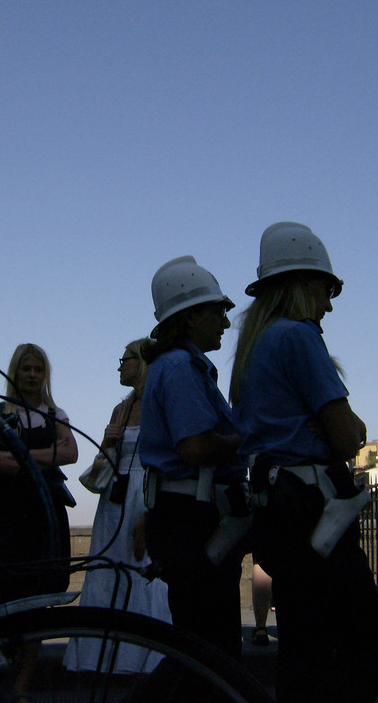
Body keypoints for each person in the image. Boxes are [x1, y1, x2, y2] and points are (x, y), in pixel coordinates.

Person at [230, 222, 378, 703]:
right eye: (327, 288)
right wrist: (346, 427)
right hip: (313, 507)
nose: (330, 302)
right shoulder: (300, 337)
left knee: (304, 650)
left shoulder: (254, 348)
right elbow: (348, 436)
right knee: (370, 650)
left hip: (275, 511)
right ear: (302, 285)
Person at [137, 256, 248, 661]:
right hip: (192, 519)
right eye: (217, 310)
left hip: (183, 516)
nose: (224, 320)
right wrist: (247, 437)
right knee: (209, 653)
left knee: (200, 646)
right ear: (187, 319)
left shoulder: (177, 366)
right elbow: (195, 448)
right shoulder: (182, 367)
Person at [0, 343, 77, 702]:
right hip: (6, 519)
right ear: (16, 371)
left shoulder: (55, 413)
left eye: (38, 369)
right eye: (26, 368)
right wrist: (42, 459)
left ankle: (21, 687)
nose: (32, 375)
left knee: (37, 603)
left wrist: (17, 454)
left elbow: (72, 452)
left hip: (44, 521)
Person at [64, 338, 171, 674]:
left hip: (146, 493)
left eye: (124, 359)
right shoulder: (120, 409)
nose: (119, 365)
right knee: (108, 571)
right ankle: (104, 660)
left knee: (144, 573)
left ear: (140, 361)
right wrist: (108, 443)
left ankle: (145, 659)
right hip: (115, 499)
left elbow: (167, 461)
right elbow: (105, 463)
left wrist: (152, 517)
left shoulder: (161, 403)